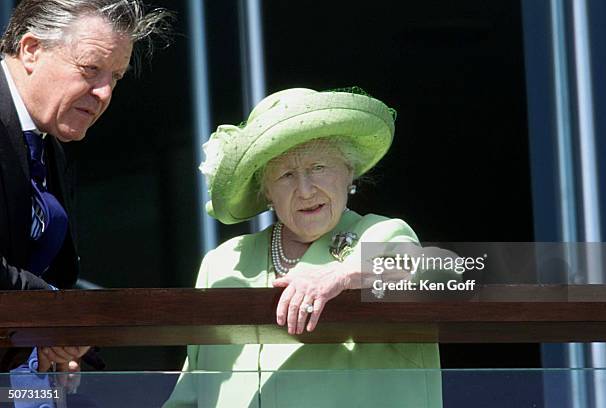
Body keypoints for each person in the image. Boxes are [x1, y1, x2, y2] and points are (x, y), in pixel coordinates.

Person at [164, 88, 443, 407]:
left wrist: (345, 277)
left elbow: (440, 273)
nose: (306, 190)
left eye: (318, 168)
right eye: (286, 175)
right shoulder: (225, 263)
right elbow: (195, 388)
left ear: (348, 170)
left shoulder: (382, 234)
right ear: (266, 190)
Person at [0, 0, 172, 381]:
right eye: (91, 69)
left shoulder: (49, 145)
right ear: (31, 50)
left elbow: (51, 273)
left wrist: (73, 350)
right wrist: (59, 316)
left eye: (116, 77)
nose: (104, 93)